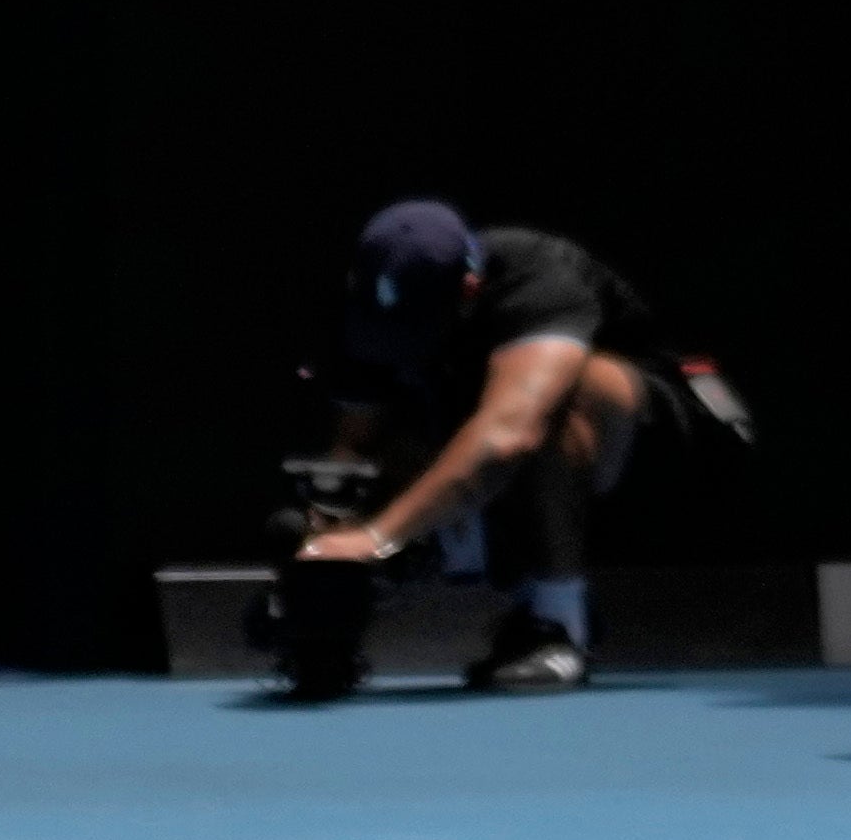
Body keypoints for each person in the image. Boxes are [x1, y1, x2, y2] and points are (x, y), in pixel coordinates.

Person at [284, 201, 752, 702]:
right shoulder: (368, 304)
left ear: (467, 289)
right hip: (513, 458)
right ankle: (451, 569)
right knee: (380, 461)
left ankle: (558, 627)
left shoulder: (538, 275)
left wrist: (377, 537)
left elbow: (511, 432)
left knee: (562, 394)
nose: (398, 343)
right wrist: (328, 540)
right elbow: (352, 446)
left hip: (671, 462)